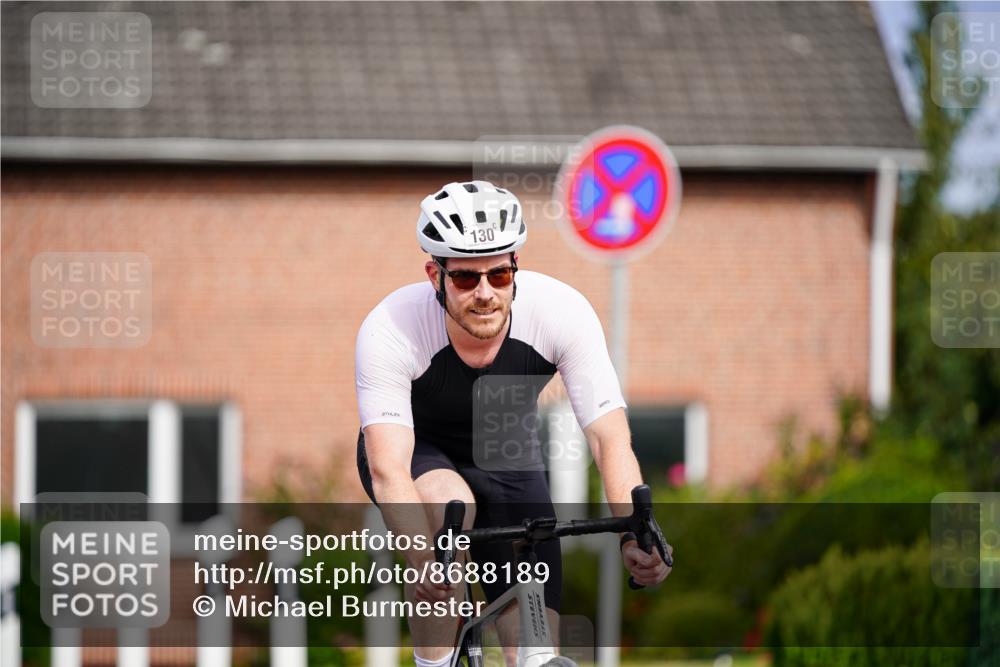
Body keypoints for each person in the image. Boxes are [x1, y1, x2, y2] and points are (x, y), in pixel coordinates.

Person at [355, 180, 671, 667]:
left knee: (535, 644)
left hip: (505, 450)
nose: (484, 294)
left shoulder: (560, 312)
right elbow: (388, 469)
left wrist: (636, 532)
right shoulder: (391, 327)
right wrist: (422, 561)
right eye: (464, 279)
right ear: (433, 275)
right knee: (447, 515)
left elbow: (609, 439)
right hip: (419, 451)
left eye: (499, 275)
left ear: (515, 268)